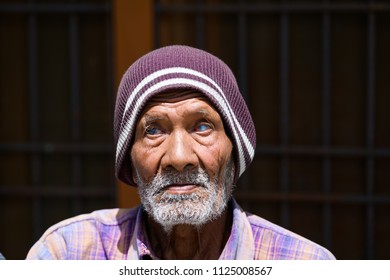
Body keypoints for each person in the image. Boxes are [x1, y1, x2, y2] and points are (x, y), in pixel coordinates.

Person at [26, 45, 335, 260]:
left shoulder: (304, 264)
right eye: (154, 130)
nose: (178, 157)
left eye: (202, 127)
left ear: (234, 154)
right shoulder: (69, 253)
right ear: (131, 164)